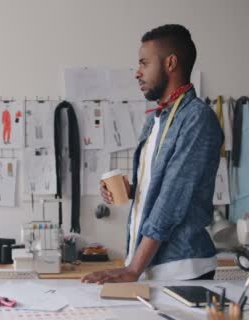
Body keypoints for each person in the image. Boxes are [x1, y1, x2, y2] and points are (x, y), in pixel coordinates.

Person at [82, 24, 223, 283]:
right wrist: (132, 191)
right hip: (147, 266)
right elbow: (160, 190)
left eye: (144, 63)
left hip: (180, 269)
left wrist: (133, 269)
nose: (137, 72)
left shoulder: (197, 119)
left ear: (170, 63)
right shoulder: (155, 118)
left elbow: (172, 199)